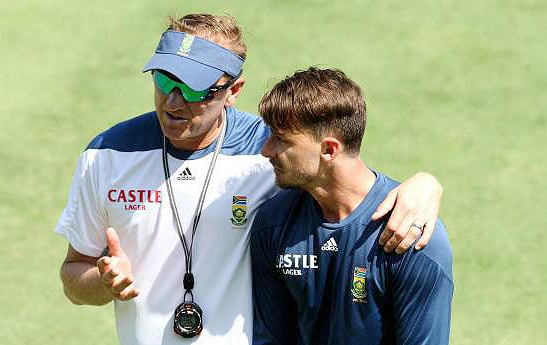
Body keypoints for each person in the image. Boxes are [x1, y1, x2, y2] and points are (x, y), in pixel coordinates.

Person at [56, 14, 444, 345]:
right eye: (163, 80)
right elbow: (74, 275)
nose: (173, 101)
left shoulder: (272, 152)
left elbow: (346, 175)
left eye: (192, 88)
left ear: (233, 91)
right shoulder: (106, 156)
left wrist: (425, 185)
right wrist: (102, 283)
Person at [251, 67, 453, 345]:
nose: (266, 150)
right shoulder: (273, 222)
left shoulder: (409, 235)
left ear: (329, 149)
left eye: (281, 140)